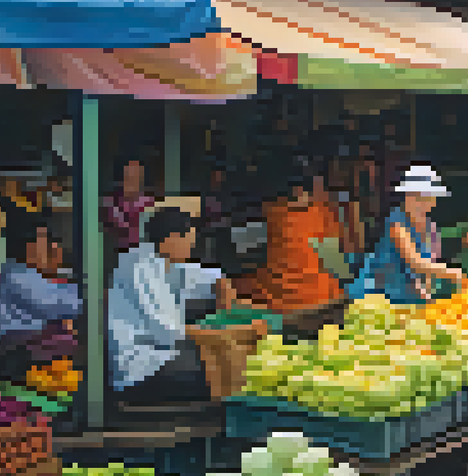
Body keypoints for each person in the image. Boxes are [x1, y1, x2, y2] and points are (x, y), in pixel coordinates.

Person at [108, 208, 258, 403]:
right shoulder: (139, 268)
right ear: (171, 239)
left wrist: (227, 308)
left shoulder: (166, 262)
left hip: (164, 353)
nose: (191, 247)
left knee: (228, 352)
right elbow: (170, 331)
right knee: (225, 361)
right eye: (188, 241)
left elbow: (214, 278)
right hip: (141, 366)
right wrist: (234, 333)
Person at [345, 165, 468, 305]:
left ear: (434, 200)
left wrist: (425, 296)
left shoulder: (431, 228)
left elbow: (427, 271)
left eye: (427, 197)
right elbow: (415, 263)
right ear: (406, 197)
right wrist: (451, 272)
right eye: (415, 197)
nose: (421, 203)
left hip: (404, 295)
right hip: (376, 295)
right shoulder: (397, 223)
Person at [233, 170, 347, 313]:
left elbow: (241, 244)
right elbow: (336, 266)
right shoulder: (322, 213)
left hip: (278, 300)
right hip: (320, 297)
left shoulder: (270, 211)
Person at [0, 214, 82, 381]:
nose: (52, 248)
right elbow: (59, 303)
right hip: (18, 357)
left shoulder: (27, 274)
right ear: (28, 246)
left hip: (28, 353)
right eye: (45, 241)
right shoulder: (18, 275)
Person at [102, 159, 155, 255]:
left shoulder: (150, 203)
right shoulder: (109, 202)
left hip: (145, 255)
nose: (133, 180)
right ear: (121, 178)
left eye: (137, 176)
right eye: (128, 176)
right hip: (114, 255)